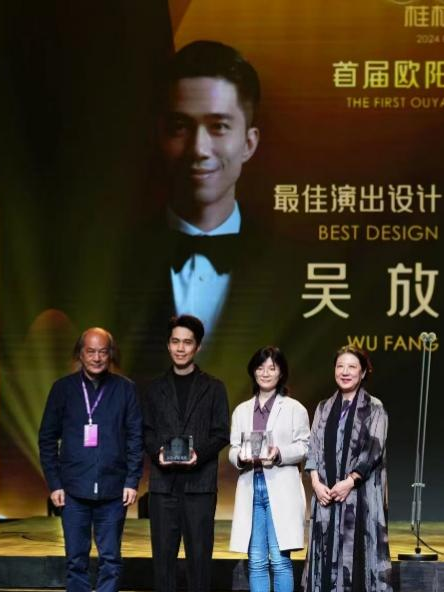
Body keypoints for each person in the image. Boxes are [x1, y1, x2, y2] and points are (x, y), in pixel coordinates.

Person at [155, 39, 261, 341]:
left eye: (218, 127)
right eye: (180, 126)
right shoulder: (111, 262)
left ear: (249, 143)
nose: (199, 149)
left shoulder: (293, 266)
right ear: (161, 136)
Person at [38, 327, 143, 592]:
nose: (97, 358)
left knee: (111, 560)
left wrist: (131, 481)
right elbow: (47, 439)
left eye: (103, 352)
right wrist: (55, 483)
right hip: (73, 490)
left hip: (114, 490)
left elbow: (135, 438)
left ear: (110, 354)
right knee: (75, 561)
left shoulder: (125, 389)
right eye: (91, 351)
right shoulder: (62, 389)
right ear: (80, 354)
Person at [141, 315, 231, 592]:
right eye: (175, 341)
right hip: (163, 486)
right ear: (168, 345)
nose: (180, 348)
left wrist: (198, 455)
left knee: (200, 561)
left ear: (198, 346)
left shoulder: (214, 387)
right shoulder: (154, 388)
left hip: (199, 486)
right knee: (163, 562)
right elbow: (146, 431)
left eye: (187, 342)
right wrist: (157, 453)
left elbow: (221, 433)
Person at [303, 346, 392, 592]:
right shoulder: (323, 407)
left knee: (356, 559)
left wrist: (350, 482)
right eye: (340, 366)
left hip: (358, 496)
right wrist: (315, 483)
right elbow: (313, 448)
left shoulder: (375, 408)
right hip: (326, 495)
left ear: (363, 373)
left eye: (352, 367)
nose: (345, 372)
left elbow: (373, 451)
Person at [228, 346, 310, 592]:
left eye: (272, 368)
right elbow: (233, 448)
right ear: (253, 371)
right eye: (260, 367)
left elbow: (305, 446)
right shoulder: (242, 410)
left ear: (281, 373)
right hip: (252, 485)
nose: (265, 373)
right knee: (256, 561)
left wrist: (279, 453)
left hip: (281, 486)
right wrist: (239, 457)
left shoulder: (294, 408)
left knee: (280, 560)